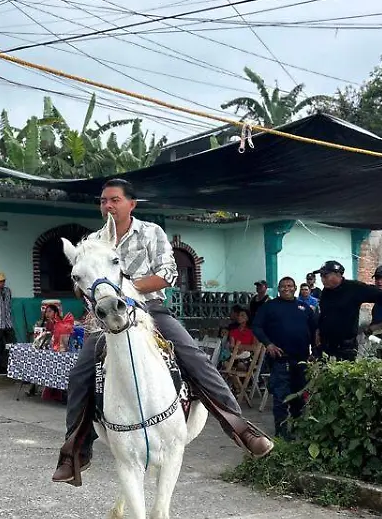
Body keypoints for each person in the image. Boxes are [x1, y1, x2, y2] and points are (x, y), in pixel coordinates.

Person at [53, 179, 273, 484]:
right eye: (103, 201)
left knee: (195, 357)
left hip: (150, 310)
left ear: (132, 203)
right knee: (80, 374)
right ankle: (75, 451)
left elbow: (167, 274)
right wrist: (95, 293)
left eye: (114, 200)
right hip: (105, 315)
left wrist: (126, 290)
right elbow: (81, 283)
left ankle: (241, 429)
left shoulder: (151, 233)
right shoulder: (93, 240)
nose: (108, 206)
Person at [252, 277, 316, 440]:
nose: (286, 289)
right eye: (282, 286)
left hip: (301, 360)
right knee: (281, 399)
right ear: (278, 289)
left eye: (289, 286)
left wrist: (315, 351)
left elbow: (315, 330)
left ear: (295, 288)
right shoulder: (269, 307)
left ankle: (297, 430)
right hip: (281, 360)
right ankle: (281, 434)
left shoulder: (305, 307)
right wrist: (268, 344)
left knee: (299, 398)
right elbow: (257, 327)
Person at [313, 260, 382, 361]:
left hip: (345, 346)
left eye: (325, 276)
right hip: (326, 345)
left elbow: (377, 292)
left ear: (338, 275)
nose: (322, 279)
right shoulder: (325, 292)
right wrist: (318, 331)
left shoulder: (354, 288)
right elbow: (323, 314)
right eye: (321, 276)